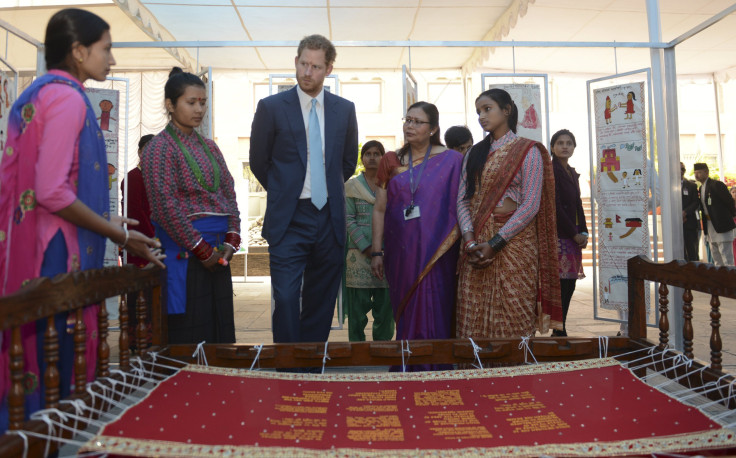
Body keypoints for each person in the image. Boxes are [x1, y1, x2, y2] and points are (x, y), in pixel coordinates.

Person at [0, 8, 164, 432]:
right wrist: (119, 235)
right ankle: (50, 439)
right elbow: (53, 191)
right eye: (105, 49)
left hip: (34, 240)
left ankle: (29, 435)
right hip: (56, 251)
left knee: (32, 347)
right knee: (58, 348)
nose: (111, 59)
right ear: (78, 51)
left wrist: (110, 218)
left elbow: (42, 190)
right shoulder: (69, 98)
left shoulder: (36, 93)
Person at [250, 35, 358, 345]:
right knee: (284, 297)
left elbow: (347, 162)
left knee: (320, 300)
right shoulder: (271, 107)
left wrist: (325, 190)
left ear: (329, 69)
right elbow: (259, 160)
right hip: (290, 219)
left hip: (329, 219)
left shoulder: (344, 109)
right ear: (295, 62)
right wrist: (286, 191)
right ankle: (287, 366)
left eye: (315, 67)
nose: (307, 72)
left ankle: (310, 368)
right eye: (303, 64)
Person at [142, 68, 240, 344]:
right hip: (187, 254)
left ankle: (220, 385)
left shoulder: (210, 147)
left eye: (203, 102)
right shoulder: (159, 149)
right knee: (191, 335)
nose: (199, 109)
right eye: (191, 102)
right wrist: (200, 248)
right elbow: (164, 206)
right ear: (170, 105)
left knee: (220, 331)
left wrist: (232, 239)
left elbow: (228, 193)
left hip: (219, 254)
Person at [456, 88, 561, 342]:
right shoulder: (474, 153)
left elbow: (530, 205)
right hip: (476, 249)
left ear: (506, 110)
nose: (482, 116)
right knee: (473, 319)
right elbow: (463, 199)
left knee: (513, 316)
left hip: (514, 247)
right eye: (478, 111)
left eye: (487, 109)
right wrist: (471, 242)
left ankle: (514, 378)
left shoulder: (528, 151)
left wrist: (495, 244)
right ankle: (475, 377)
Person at [371, 101, 462, 372]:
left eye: (417, 121)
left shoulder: (452, 160)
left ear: (433, 128)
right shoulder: (392, 160)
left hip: (439, 253)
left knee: (437, 305)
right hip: (402, 253)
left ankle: (438, 366)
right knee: (408, 308)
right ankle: (408, 365)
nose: (409, 126)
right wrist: (377, 251)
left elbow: (461, 207)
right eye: (407, 120)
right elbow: (379, 208)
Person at [343, 141, 394, 342]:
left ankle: (383, 349)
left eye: (377, 153)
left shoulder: (392, 185)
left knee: (385, 307)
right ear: (362, 158)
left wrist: (381, 250)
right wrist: (368, 248)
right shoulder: (351, 186)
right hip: (358, 255)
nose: (372, 157)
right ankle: (357, 350)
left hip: (387, 254)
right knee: (357, 308)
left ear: (383, 157)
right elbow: (348, 219)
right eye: (368, 153)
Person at [549, 129, 587, 337]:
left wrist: (584, 232)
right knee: (560, 283)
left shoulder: (572, 172)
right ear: (553, 147)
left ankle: (561, 326)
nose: (565, 146)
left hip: (573, 236)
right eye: (560, 143)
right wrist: (574, 234)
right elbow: (556, 207)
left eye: (569, 143)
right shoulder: (551, 170)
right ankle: (558, 328)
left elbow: (577, 205)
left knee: (570, 283)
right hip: (559, 235)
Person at [120, 134, 155, 351]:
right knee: (138, 294)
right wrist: (154, 237)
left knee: (152, 293)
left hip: (154, 243)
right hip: (138, 245)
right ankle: (136, 339)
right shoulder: (133, 177)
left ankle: (152, 336)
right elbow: (134, 214)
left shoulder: (156, 177)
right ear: (141, 153)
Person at [693, 163, 735, 266]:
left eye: (699, 172)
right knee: (716, 258)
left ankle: (730, 281)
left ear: (706, 172)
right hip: (710, 226)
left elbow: (729, 202)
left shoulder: (716, 185)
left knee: (727, 258)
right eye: (695, 173)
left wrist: (727, 218)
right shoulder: (701, 188)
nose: (696, 175)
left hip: (722, 225)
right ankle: (719, 281)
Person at [681, 161, 701, 262]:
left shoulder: (691, 186)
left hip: (689, 224)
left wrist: (685, 212)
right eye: (679, 169)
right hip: (675, 225)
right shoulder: (667, 186)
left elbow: (696, 202)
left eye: (682, 169)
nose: (681, 171)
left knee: (692, 252)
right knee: (679, 253)